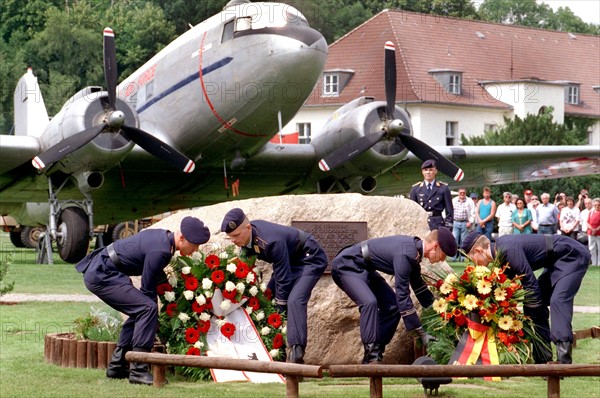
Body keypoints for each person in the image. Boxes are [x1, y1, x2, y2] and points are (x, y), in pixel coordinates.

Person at [75, 216, 210, 385]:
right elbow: (147, 289)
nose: (195, 250)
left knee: (142, 309)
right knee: (147, 309)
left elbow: (155, 276)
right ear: (181, 238)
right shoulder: (161, 251)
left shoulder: (164, 240)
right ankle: (138, 370)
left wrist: (171, 298)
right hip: (103, 274)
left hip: (108, 271)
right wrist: (153, 318)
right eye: (194, 245)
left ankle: (117, 366)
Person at [461, 231, 591, 364]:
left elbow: (529, 282)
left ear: (479, 250)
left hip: (572, 255)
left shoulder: (507, 249)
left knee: (558, 300)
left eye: (473, 259)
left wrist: (533, 309)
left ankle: (564, 362)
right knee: (531, 306)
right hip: (555, 260)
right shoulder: (499, 252)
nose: (475, 264)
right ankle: (543, 360)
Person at [331, 228, 457, 363]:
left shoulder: (414, 253)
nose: (442, 260)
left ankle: (377, 352)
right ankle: (371, 357)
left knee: (393, 307)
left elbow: (420, 289)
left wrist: (440, 312)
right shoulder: (407, 254)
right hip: (346, 265)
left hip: (365, 269)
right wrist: (420, 332)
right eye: (443, 255)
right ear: (436, 246)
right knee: (369, 302)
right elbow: (402, 295)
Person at [220, 208, 328, 364]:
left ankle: (296, 355)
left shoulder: (271, 241)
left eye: (236, 236)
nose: (233, 241)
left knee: (294, 300)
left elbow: (283, 279)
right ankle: (275, 352)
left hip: (308, 259)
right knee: (267, 298)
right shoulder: (248, 238)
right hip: (289, 260)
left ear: (248, 228)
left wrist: (280, 307)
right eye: (230, 237)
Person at [409, 159, 453, 230]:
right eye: (426, 170)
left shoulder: (443, 188)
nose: (428, 172)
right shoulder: (415, 189)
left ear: (435, 171)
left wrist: (447, 228)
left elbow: (449, 211)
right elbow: (412, 210)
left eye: (431, 170)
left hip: (438, 224)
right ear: (422, 172)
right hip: (421, 224)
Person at [587, 198, 600, 266]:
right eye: (595, 205)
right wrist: (592, 229)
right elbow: (587, 222)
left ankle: (599, 263)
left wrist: (596, 230)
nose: (597, 207)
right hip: (591, 233)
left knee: (599, 248)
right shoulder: (591, 212)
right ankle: (594, 263)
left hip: (599, 233)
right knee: (592, 248)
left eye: (598, 205)